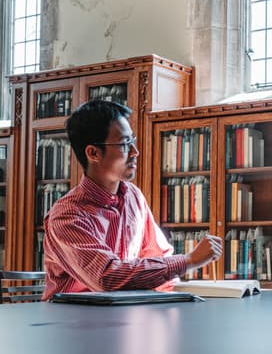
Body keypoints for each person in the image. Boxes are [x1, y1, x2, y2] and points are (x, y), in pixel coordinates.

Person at [42, 100, 222, 300]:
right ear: (93, 153)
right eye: (125, 144)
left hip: (124, 314)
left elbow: (157, 255)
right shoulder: (66, 215)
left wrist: (181, 296)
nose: (135, 152)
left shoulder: (133, 196)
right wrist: (189, 260)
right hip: (71, 322)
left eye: (133, 141)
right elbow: (107, 277)